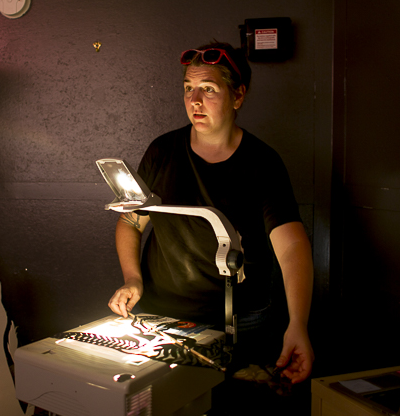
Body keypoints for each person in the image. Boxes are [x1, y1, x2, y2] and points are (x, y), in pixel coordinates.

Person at [107, 42, 315, 384]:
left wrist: (298, 323)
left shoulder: (262, 163)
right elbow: (131, 221)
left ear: (238, 96)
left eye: (208, 89)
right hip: (161, 315)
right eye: (188, 89)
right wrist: (133, 278)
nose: (195, 101)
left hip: (241, 321)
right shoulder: (163, 151)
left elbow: (291, 247)